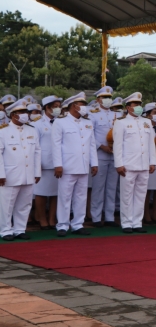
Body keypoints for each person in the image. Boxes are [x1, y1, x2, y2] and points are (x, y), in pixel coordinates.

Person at [52, 93, 98, 237]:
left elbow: (91, 144)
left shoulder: (87, 122)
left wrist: (94, 163)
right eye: (81, 104)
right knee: (65, 196)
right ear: (73, 106)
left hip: (83, 165)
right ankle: (62, 225)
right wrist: (58, 165)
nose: (84, 107)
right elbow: (56, 145)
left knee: (81, 196)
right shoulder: (61, 122)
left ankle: (78, 224)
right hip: (67, 166)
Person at [113, 92, 156, 234]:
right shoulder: (121, 122)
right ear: (128, 107)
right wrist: (119, 164)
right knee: (126, 195)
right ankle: (126, 223)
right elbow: (117, 145)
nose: (138, 107)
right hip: (128, 165)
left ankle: (137, 222)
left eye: (139, 104)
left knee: (140, 194)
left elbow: (151, 144)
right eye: (135, 104)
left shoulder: (147, 122)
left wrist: (152, 161)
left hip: (144, 164)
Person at [0, 98, 42, 241]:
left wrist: (37, 172)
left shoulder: (31, 130)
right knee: (7, 204)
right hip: (10, 174)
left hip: (28, 173)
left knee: (25, 204)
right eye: (22, 112)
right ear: (13, 115)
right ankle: (5, 230)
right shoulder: (3, 131)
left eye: (26, 111)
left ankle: (19, 229)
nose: (26, 114)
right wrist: (0, 174)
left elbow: (37, 152)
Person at [87, 86, 118, 227]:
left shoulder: (116, 115)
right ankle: (96, 217)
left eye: (109, 98)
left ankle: (110, 216)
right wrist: (101, 146)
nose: (107, 100)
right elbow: (90, 135)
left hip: (114, 155)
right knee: (98, 188)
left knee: (112, 187)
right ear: (98, 100)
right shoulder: (92, 114)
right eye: (104, 98)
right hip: (99, 154)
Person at [32, 96, 62, 230]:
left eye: (59, 105)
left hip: (58, 163)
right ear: (47, 108)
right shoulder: (37, 124)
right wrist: (36, 164)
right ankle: (42, 219)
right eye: (55, 106)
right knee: (41, 193)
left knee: (56, 193)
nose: (58, 108)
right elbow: (34, 146)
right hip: (43, 163)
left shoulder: (61, 122)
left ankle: (52, 219)